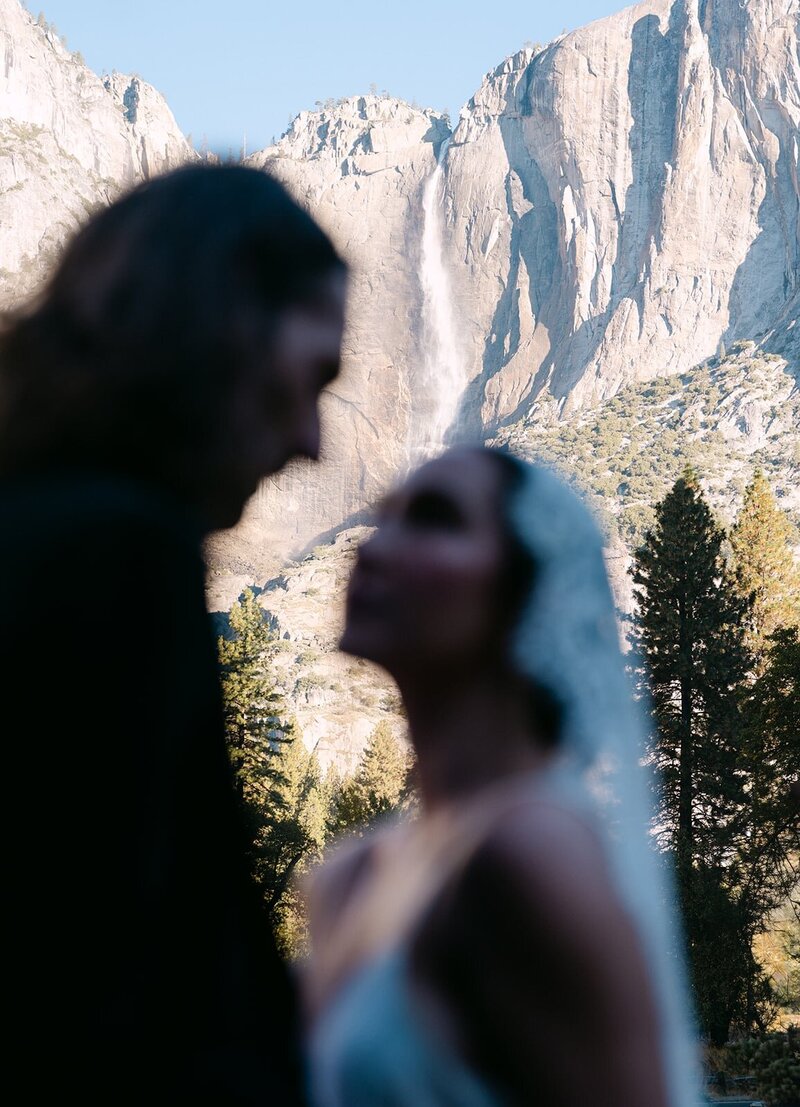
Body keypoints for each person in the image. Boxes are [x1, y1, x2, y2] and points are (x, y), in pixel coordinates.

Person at [0, 164, 346, 1103]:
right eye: (313, 374)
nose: (314, 440)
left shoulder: (39, 516)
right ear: (221, 328)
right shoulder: (118, 553)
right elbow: (114, 990)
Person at [303, 446, 700, 1106]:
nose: (371, 548)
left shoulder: (533, 850)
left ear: (527, 592)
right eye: (381, 517)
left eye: (434, 518)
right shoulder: (351, 873)